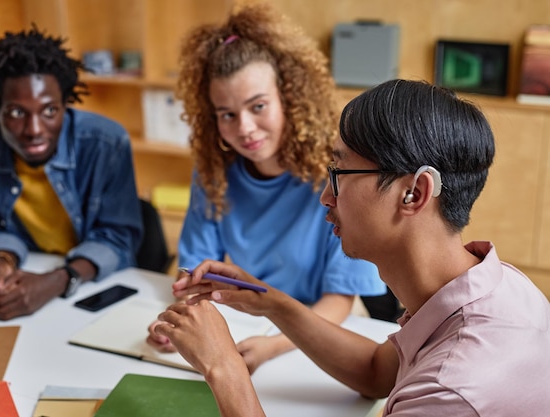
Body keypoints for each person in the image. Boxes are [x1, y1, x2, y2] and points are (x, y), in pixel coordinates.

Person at [155, 79, 550, 416]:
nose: (326, 196)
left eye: (340, 173)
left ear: (414, 193)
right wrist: (270, 302)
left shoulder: (450, 391)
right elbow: (377, 373)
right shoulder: (496, 287)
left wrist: (222, 368)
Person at [146, 3, 385, 373]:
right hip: (248, 322)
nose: (244, 127)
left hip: (316, 332)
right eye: (227, 114)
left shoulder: (338, 174)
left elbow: (339, 300)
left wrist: (273, 347)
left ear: (289, 98)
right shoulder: (213, 173)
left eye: (257, 106)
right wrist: (181, 321)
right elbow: (193, 273)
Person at [0, 27, 143, 320]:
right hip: (30, 266)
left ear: (65, 104)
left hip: (89, 288)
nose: (34, 130)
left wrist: (59, 281)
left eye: (49, 111)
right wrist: (0, 263)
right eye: (17, 113)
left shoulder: (105, 142)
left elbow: (118, 239)